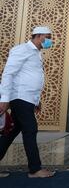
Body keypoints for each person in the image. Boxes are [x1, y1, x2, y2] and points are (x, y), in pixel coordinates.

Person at [0, 26, 55, 178]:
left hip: (27, 98)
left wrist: (36, 100)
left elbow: (30, 76)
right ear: (38, 36)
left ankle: (35, 168)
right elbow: (8, 74)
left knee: (11, 132)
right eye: (47, 36)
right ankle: (35, 169)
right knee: (30, 129)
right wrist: (4, 99)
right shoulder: (22, 50)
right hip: (19, 97)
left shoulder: (36, 53)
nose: (50, 40)